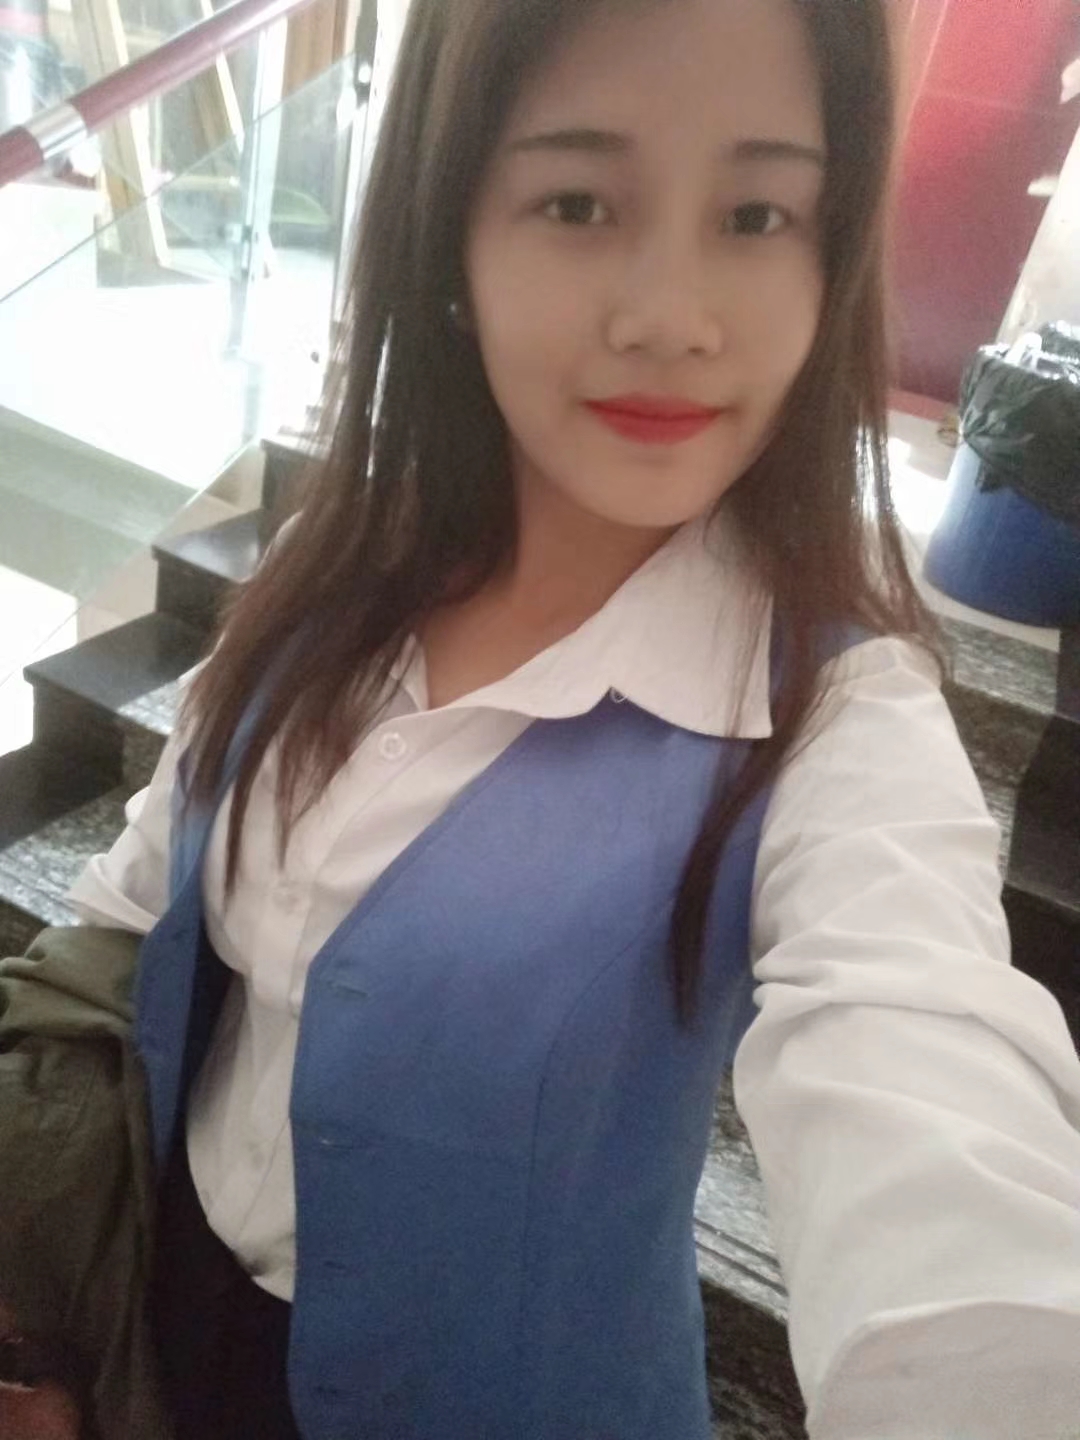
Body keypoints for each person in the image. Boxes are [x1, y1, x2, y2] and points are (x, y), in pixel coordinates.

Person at [66, 0, 1080, 1437]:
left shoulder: (833, 721)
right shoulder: (334, 568)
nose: (672, 317)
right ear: (452, 238)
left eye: (756, 215)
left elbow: (931, 1086)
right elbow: (131, 901)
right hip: (166, 1334)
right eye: (580, 203)